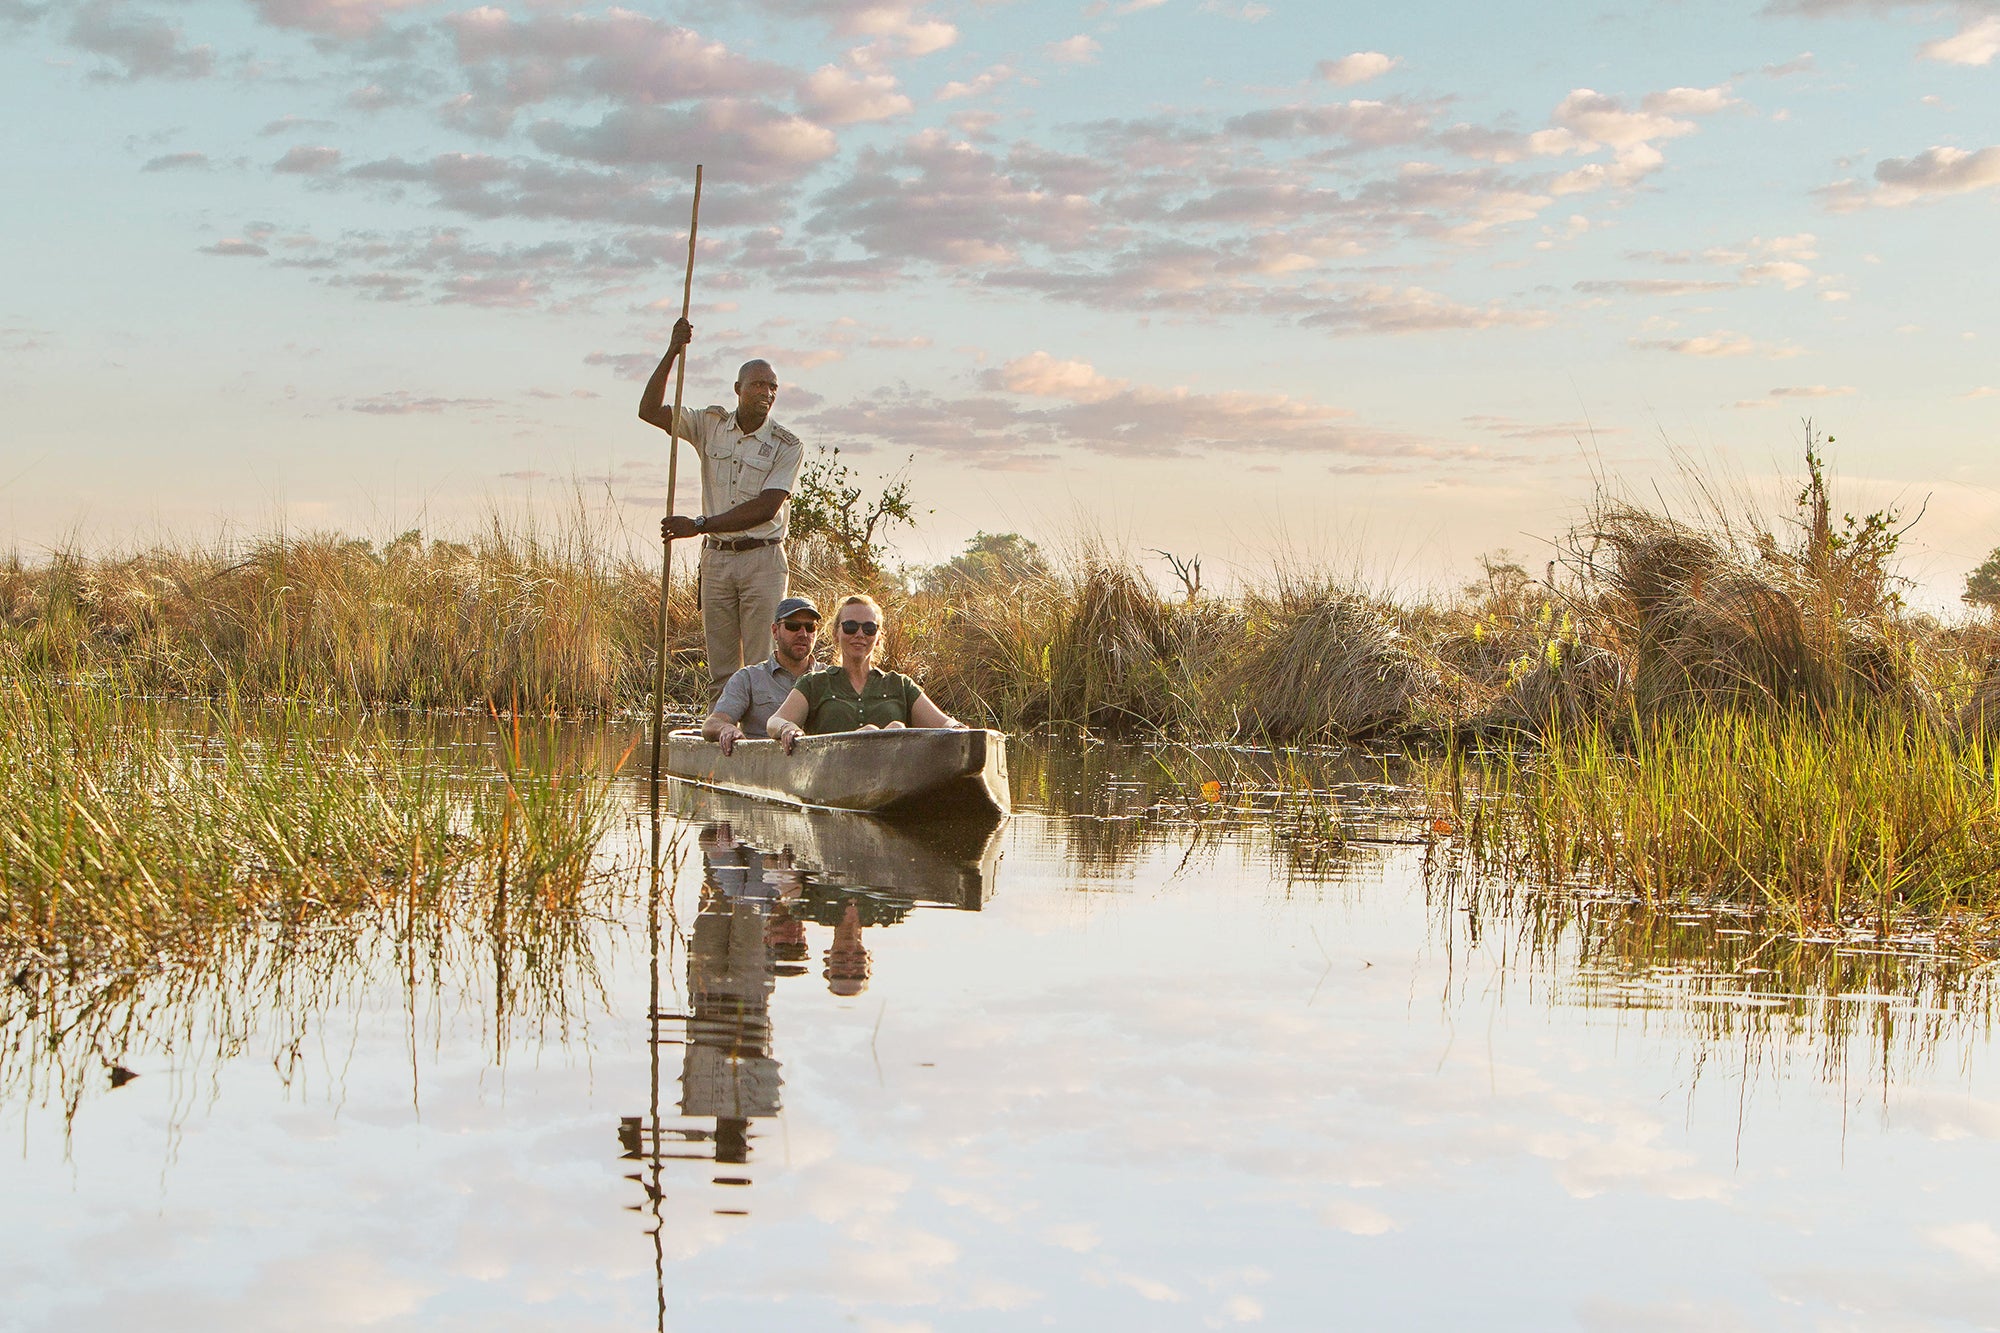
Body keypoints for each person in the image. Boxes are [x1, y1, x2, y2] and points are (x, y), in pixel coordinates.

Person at [638, 317, 804, 688]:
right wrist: (672, 351)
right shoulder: (709, 424)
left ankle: (762, 741)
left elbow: (766, 508)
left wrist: (698, 526)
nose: (767, 392)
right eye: (759, 384)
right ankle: (720, 738)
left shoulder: (786, 444)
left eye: (773, 386)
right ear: (738, 388)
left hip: (763, 560)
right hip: (717, 561)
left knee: (764, 670)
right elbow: (649, 411)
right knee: (722, 674)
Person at [765, 594, 962, 752]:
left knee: (896, 728)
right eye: (850, 627)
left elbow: (945, 725)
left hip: (893, 778)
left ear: (878, 637)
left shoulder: (900, 685)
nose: (859, 634)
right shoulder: (814, 683)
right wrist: (788, 728)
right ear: (836, 633)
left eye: (869, 628)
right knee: (872, 731)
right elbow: (775, 721)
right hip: (834, 777)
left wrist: (959, 729)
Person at [703, 596, 821, 754]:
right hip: (760, 767)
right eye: (793, 626)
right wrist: (727, 729)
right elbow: (712, 724)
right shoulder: (748, 678)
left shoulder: (830, 677)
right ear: (775, 631)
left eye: (810, 627)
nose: (803, 634)